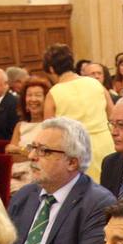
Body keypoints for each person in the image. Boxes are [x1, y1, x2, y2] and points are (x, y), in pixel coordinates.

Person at [8, 118, 115, 244]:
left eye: (44, 151)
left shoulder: (98, 204)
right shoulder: (25, 196)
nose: (31, 156)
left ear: (72, 162)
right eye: (33, 148)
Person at [42, 43, 115, 181]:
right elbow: (113, 115)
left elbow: (49, 135)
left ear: (51, 69)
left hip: (78, 151)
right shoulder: (95, 83)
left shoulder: (53, 93)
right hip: (106, 145)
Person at [6, 75, 50, 191]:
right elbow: (11, 157)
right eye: (29, 95)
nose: (33, 99)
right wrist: (29, 152)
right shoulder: (20, 126)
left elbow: (43, 155)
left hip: (39, 180)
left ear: (47, 100)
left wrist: (18, 150)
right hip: (16, 177)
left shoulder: (49, 126)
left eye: (38, 95)